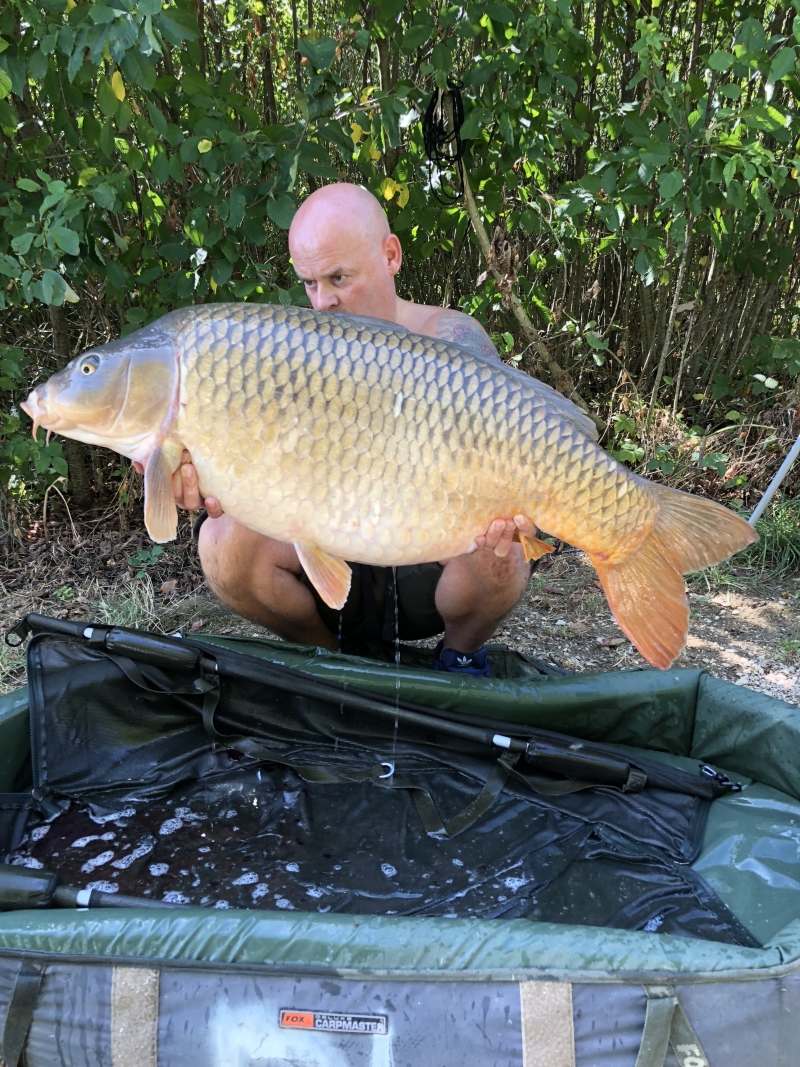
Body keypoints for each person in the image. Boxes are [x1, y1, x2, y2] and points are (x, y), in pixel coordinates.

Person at [172, 183, 537, 676]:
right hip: (328, 556)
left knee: (505, 549)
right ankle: (331, 664)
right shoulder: (290, 353)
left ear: (390, 256)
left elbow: (505, 455)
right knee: (222, 542)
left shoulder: (453, 340)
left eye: (339, 277)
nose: (322, 302)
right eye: (309, 283)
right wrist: (204, 472)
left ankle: (460, 657)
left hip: (425, 565)